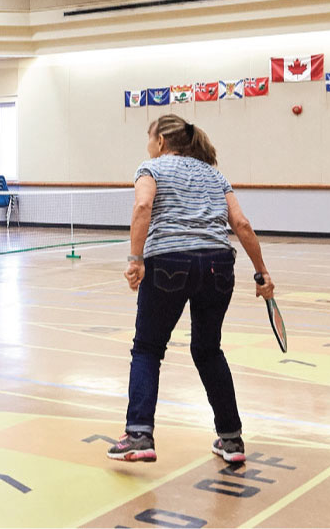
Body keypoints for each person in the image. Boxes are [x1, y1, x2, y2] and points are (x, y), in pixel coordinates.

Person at [109, 114, 273, 465]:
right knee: (208, 350)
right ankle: (231, 440)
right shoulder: (216, 175)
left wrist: (136, 259)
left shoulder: (151, 168)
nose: (148, 144)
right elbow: (241, 224)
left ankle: (139, 434)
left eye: (149, 137)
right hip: (218, 266)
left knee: (148, 349)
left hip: (168, 262)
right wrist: (262, 274)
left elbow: (142, 206)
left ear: (162, 142)